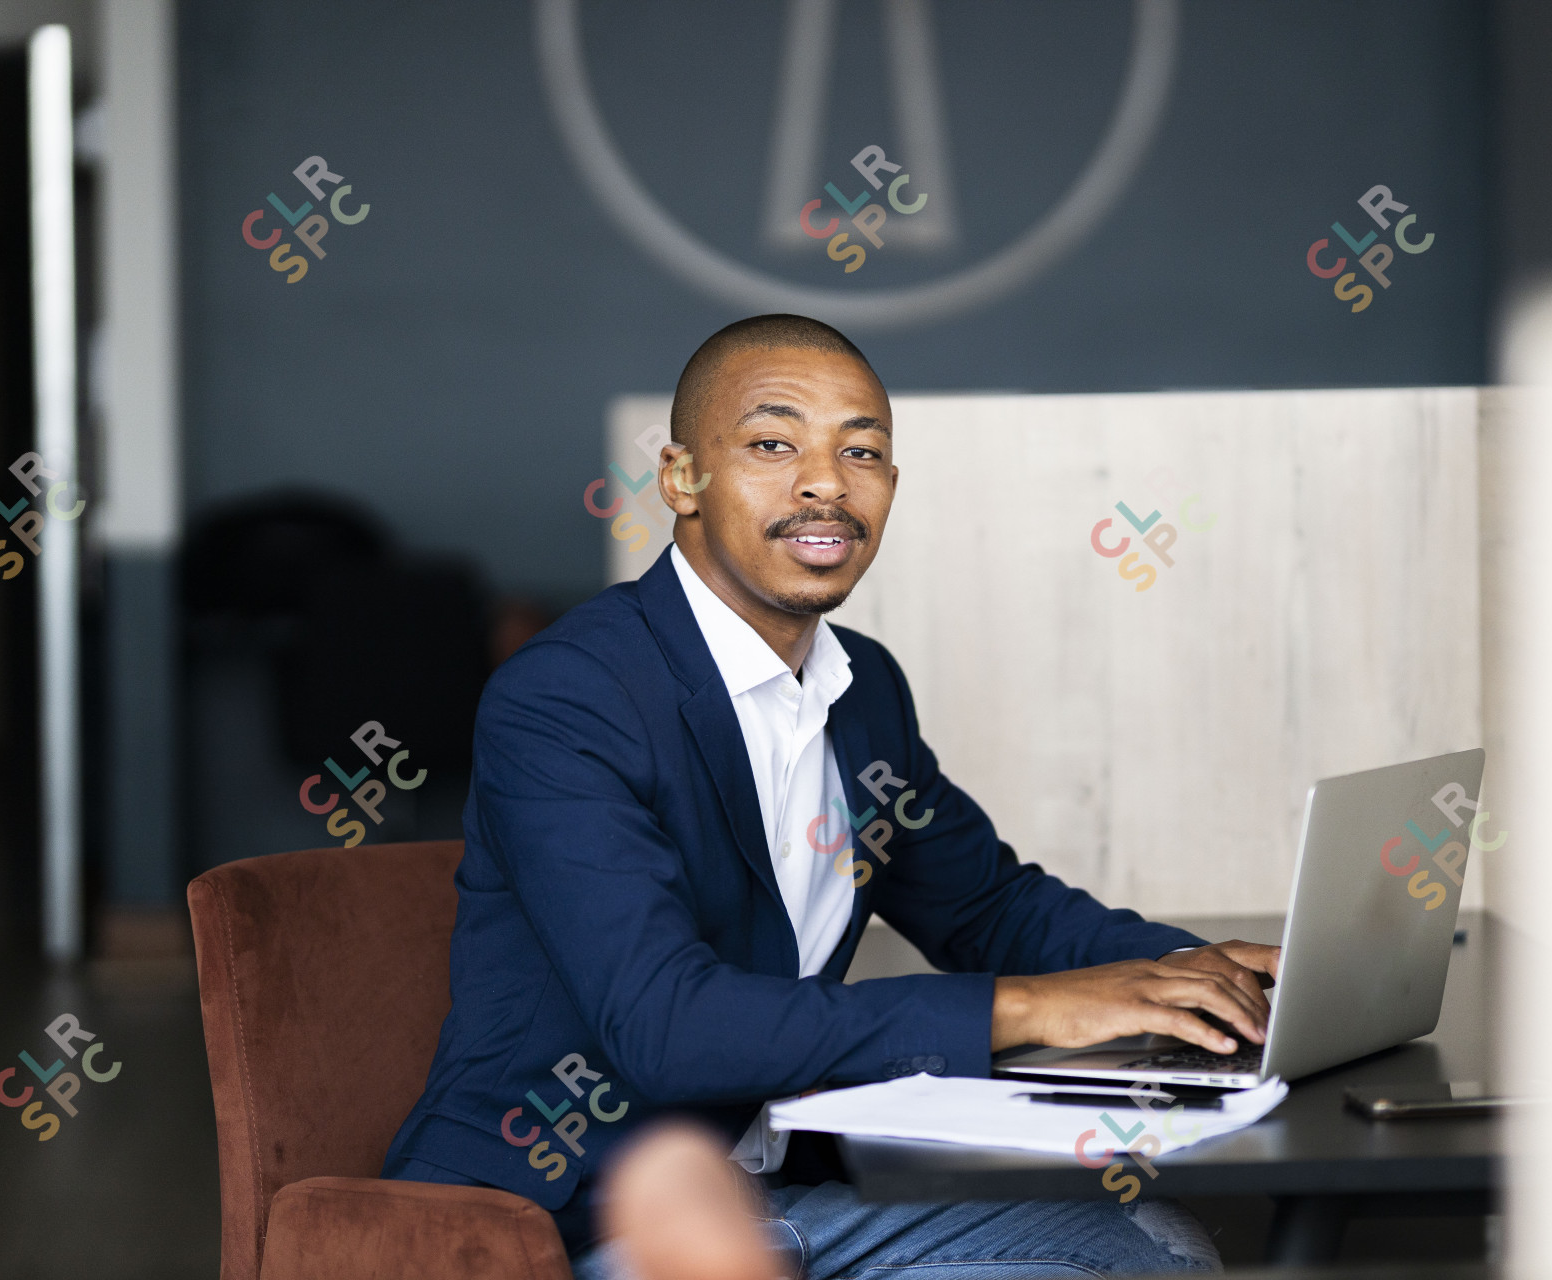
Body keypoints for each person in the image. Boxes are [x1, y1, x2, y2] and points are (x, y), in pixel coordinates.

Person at [382, 314, 1280, 1278]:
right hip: (563, 1220)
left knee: (1155, 1251)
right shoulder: (567, 697)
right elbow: (666, 1027)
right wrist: (1027, 1009)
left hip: (777, 1189)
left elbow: (983, 903)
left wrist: (1194, 973)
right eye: (774, 444)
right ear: (683, 478)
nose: (826, 482)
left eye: (864, 451)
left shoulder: (862, 688)